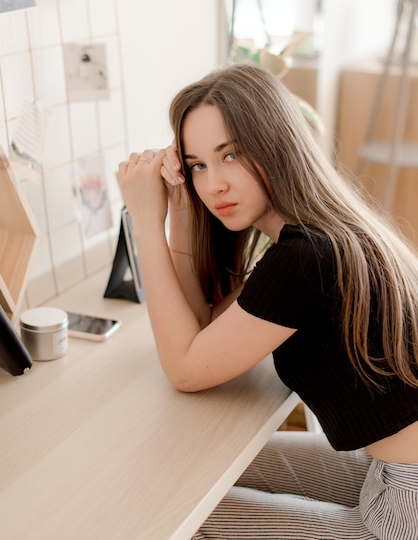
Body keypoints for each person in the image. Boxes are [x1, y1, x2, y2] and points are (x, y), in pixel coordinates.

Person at [118, 63, 418, 539]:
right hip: (387, 471)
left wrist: (144, 224)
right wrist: (177, 205)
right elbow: (204, 332)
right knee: (206, 471)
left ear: (275, 144)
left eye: (231, 155)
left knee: (177, 516)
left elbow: (185, 368)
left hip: (404, 509)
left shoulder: (305, 259)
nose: (212, 184)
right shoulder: (316, 236)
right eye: (197, 165)